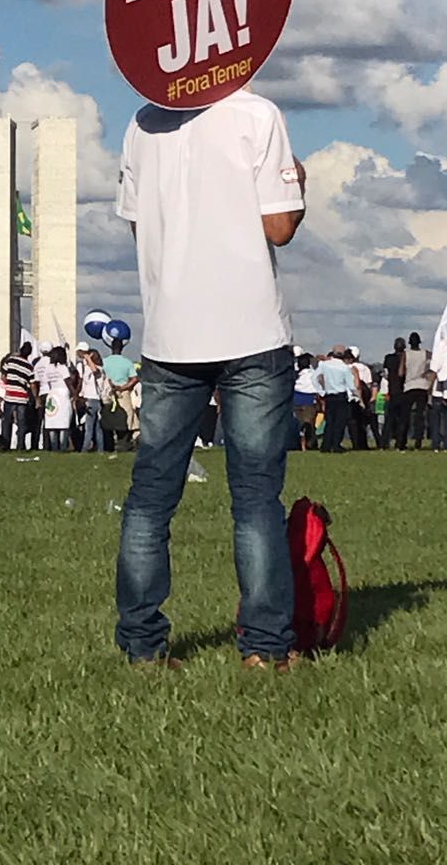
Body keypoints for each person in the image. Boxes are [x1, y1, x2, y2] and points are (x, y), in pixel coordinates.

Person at [114, 92, 305, 671]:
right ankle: (265, 651)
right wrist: (301, 188)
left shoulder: (143, 123)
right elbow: (279, 228)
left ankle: (144, 647)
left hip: (171, 333)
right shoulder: (257, 114)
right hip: (250, 331)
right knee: (254, 500)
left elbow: (137, 224)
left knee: (150, 497)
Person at [314, 348, 355, 454]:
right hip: (341, 396)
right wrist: (354, 395)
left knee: (329, 421)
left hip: (329, 396)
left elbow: (314, 378)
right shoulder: (344, 368)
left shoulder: (324, 365)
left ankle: (326, 445)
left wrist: (321, 391)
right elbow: (350, 385)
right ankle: (336, 445)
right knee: (339, 422)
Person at [103, 338, 138, 452]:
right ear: (122, 348)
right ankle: (123, 443)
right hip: (123, 392)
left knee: (108, 418)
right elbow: (134, 379)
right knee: (126, 418)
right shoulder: (127, 362)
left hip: (108, 391)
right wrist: (123, 387)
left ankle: (108, 445)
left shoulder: (105, 361)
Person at [0, 343, 35, 451]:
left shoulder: (10, 361)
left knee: (7, 421)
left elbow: (3, 376)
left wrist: (9, 384)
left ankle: (5, 445)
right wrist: (35, 397)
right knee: (21, 422)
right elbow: (32, 384)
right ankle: (20, 445)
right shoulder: (29, 367)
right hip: (22, 397)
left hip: (10, 395)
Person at [399, 333, 430, 451]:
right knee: (420, 416)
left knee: (405, 416)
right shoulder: (426, 353)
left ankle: (402, 442)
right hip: (422, 385)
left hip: (409, 386)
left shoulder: (405, 354)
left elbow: (401, 372)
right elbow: (433, 364)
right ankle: (418, 441)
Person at [43, 346, 77, 452]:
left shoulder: (48, 368)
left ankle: (54, 446)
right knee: (64, 422)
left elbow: (47, 382)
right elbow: (68, 382)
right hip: (63, 394)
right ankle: (62, 446)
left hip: (52, 393)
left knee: (52, 422)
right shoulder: (62, 368)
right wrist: (75, 394)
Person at [380, 337, 405, 450]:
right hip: (403, 391)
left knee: (389, 419)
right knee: (402, 420)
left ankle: (384, 443)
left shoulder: (388, 358)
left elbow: (385, 374)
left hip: (392, 390)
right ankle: (400, 443)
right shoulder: (405, 358)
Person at [79, 346, 105, 452]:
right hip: (93, 399)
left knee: (89, 427)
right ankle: (100, 449)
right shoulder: (88, 369)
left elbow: (95, 371)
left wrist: (88, 359)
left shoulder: (99, 369)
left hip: (93, 399)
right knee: (97, 428)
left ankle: (85, 449)